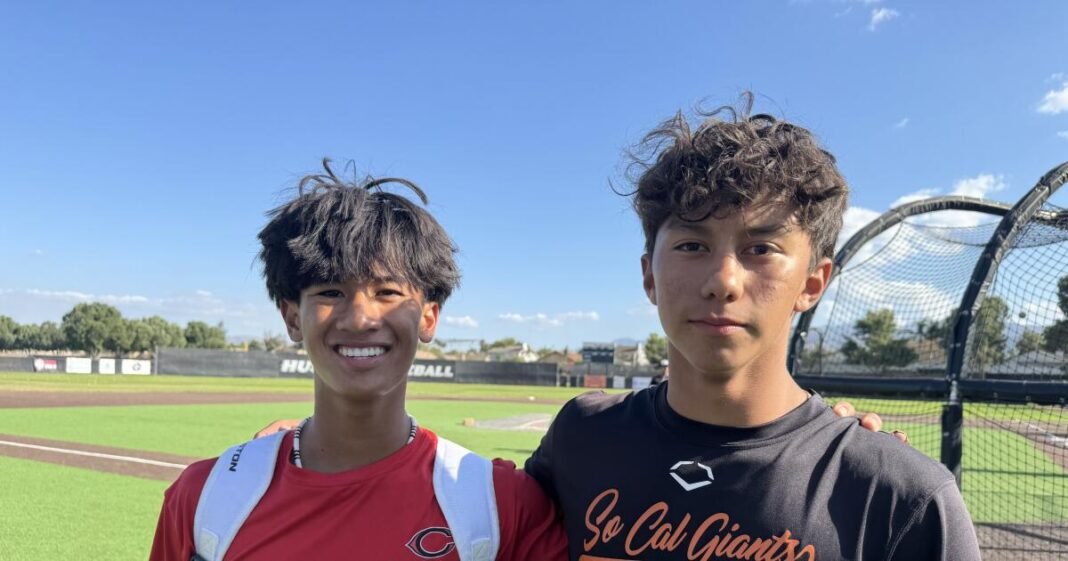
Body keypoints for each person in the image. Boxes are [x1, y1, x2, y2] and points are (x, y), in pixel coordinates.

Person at [523, 96, 981, 560]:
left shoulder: (902, 498)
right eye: (691, 245)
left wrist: (865, 461)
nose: (723, 282)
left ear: (812, 283)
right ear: (649, 277)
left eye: (761, 249)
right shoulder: (581, 439)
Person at [149, 161, 567, 561]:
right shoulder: (204, 498)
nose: (360, 319)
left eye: (387, 292)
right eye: (330, 292)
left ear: (428, 317)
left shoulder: (504, 506)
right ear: (292, 317)